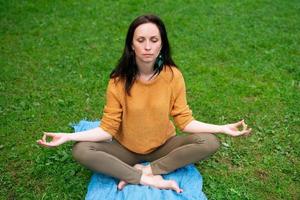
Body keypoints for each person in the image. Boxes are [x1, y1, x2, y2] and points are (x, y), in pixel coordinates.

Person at [37, 14, 252, 193]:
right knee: (81, 150)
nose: (147, 47)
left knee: (210, 142)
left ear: (162, 44)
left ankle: (147, 171)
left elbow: (185, 122)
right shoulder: (118, 80)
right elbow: (107, 129)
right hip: (125, 149)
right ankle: (144, 178)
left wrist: (223, 128)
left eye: (154, 40)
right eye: (141, 40)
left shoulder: (173, 76)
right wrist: (68, 136)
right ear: (132, 44)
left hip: (163, 147)